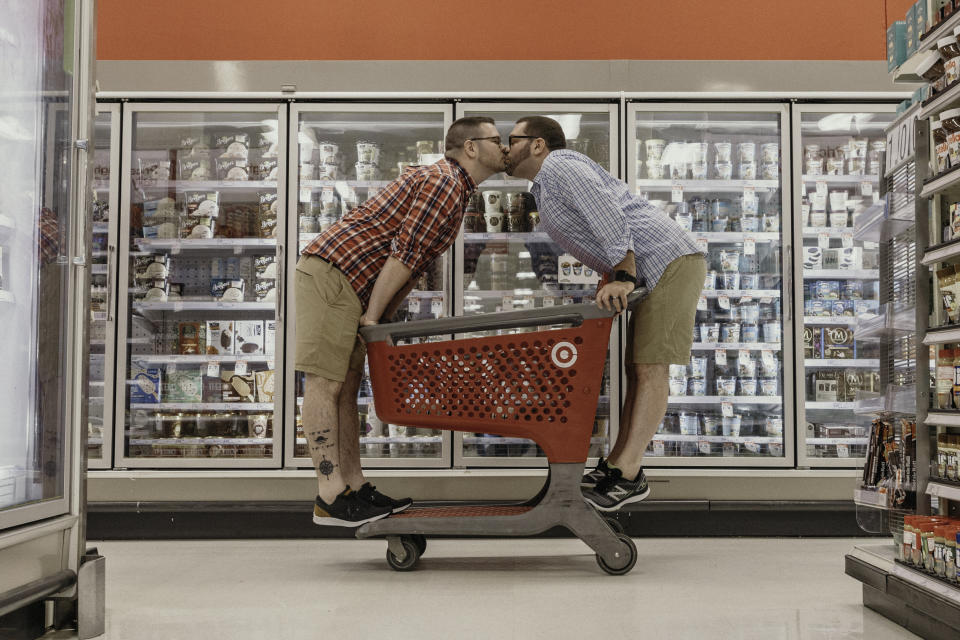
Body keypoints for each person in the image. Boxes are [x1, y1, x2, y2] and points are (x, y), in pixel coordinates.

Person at [296, 116, 508, 527]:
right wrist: (374, 317)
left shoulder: (457, 188)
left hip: (353, 282)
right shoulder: (446, 182)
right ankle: (329, 493)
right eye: (496, 139)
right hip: (334, 273)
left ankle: (354, 486)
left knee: (347, 387)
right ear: (470, 147)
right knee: (326, 383)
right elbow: (405, 253)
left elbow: (413, 265)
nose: (503, 147)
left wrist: (383, 319)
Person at [505, 116, 706, 512]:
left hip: (667, 261)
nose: (506, 149)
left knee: (651, 369)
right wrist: (611, 279)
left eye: (512, 140)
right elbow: (596, 232)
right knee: (638, 369)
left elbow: (608, 217)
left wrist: (623, 273)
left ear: (539, 145)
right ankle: (616, 465)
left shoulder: (560, 165)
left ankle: (629, 474)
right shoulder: (545, 185)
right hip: (652, 268)